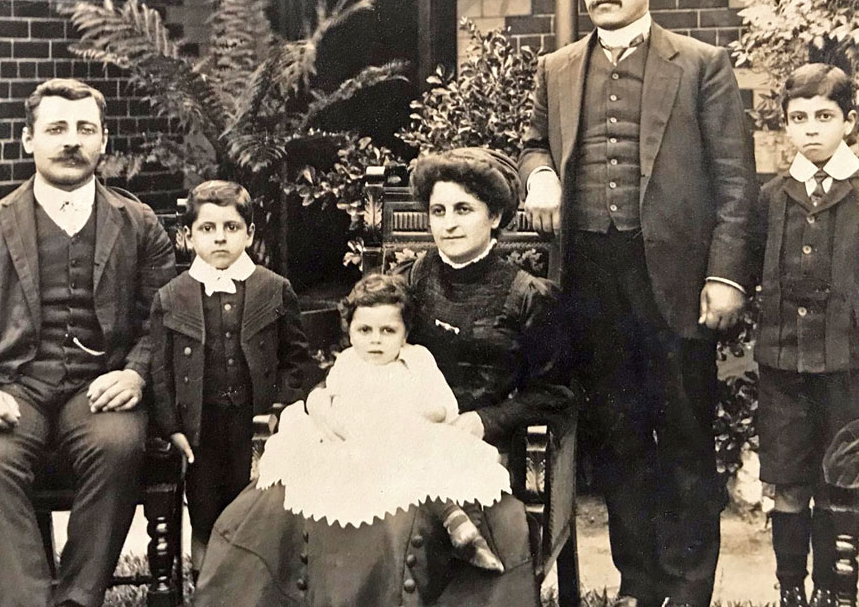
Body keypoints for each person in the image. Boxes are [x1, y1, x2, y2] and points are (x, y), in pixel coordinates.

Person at [194, 146, 568, 607]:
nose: (448, 223)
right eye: (438, 210)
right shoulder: (407, 280)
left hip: (466, 440)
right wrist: (319, 400)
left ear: (495, 216)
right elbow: (360, 353)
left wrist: (483, 421)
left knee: (394, 521)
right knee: (282, 499)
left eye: (464, 210)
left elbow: (554, 395)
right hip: (380, 428)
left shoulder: (528, 296)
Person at [519, 0, 758, 607]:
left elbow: (735, 182)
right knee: (618, 436)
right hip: (591, 278)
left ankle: (687, 589)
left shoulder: (702, 65)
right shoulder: (557, 68)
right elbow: (536, 143)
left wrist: (725, 274)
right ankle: (638, 583)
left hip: (677, 280)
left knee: (684, 436)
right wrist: (540, 176)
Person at [0, 78, 176, 607]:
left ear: (104, 142)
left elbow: (163, 324)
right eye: (56, 128)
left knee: (118, 445)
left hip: (100, 389)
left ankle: (76, 600)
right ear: (28, 140)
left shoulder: (139, 225)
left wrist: (135, 372)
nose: (71, 141)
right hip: (14, 387)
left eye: (85, 129)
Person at [256, 272, 510, 572]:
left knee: (440, 465)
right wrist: (332, 414)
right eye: (364, 330)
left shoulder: (417, 359)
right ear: (349, 331)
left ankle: (465, 529)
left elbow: (444, 407)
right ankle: (452, 521)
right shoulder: (348, 363)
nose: (375, 340)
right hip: (358, 448)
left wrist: (415, 413)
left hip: (409, 439)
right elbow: (331, 403)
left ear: (405, 334)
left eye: (388, 331)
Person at [148, 179, 313, 563]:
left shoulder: (274, 289)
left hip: (253, 426)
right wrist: (172, 428)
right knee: (205, 512)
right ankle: (207, 587)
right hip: (199, 430)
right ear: (187, 236)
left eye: (231, 227)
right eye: (207, 229)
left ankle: (254, 586)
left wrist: (281, 412)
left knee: (255, 506)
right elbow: (160, 372)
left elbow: (297, 360)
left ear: (250, 233)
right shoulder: (171, 297)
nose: (220, 238)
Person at [753, 64, 859, 607]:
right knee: (789, 482)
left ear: (849, 122)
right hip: (783, 369)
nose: (811, 129)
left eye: (824, 117)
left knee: (844, 482)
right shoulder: (771, 197)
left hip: (848, 369)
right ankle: (791, 589)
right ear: (785, 126)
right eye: (799, 118)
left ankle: (838, 591)